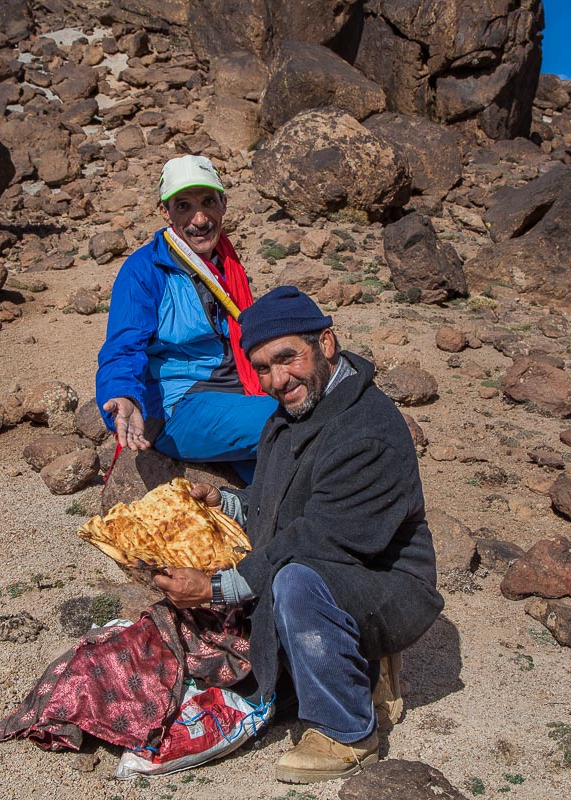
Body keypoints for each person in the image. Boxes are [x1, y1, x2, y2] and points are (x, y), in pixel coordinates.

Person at [152, 285, 444, 784]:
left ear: (326, 343)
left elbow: (318, 538)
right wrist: (224, 502)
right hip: (330, 563)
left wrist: (217, 588)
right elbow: (278, 500)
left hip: (385, 581)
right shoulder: (291, 416)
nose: (277, 379)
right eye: (263, 367)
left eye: (287, 358)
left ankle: (348, 731)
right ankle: (340, 665)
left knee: (293, 583)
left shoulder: (366, 431)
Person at [95, 155, 276, 481]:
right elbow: (123, 347)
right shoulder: (144, 271)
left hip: (236, 392)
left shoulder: (226, 260)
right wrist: (123, 394)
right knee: (297, 415)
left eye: (208, 202)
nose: (200, 219)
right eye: (183, 206)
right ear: (165, 212)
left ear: (224, 203)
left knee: (285, 475)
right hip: (179, 406)